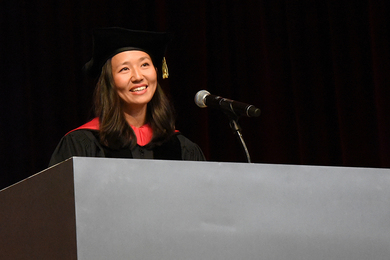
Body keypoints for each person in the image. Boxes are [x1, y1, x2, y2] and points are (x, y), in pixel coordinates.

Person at [49, 27, 205, 166]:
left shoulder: (182, 148)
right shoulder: (82, 145)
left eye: (144, 65)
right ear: (110, 82)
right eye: (124, 69)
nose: (138, 76)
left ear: (156, 72)